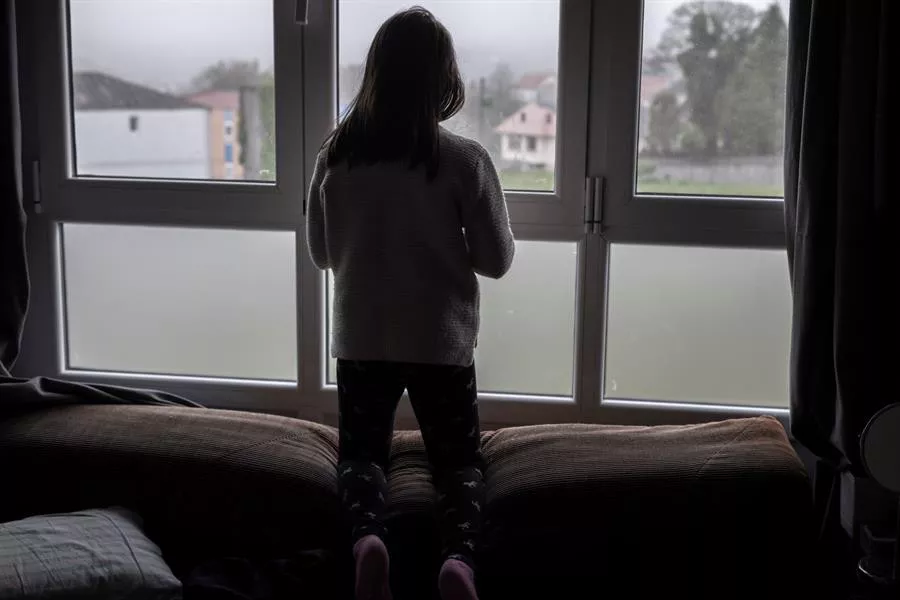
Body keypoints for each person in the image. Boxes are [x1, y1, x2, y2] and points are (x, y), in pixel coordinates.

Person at [305, 7, 514, 600]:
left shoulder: (335, 156)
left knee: (363, 457)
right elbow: (497, 259)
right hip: (439, 342)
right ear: (442, 80)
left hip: (362, 338)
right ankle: (459, 562)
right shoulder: (464, 160)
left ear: (375, 73)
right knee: (459, 465)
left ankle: (369, 540)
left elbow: (323, 253)